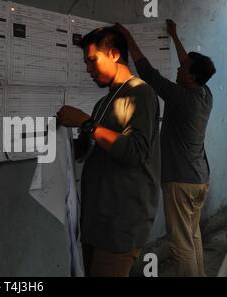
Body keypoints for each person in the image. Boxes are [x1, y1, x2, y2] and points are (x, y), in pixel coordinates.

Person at [115, 20, 216, 277]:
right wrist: (174, 36)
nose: (178, 70)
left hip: (180, 181)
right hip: (199, 180)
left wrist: (128, 38)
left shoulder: (180, 98)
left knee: (180, 245)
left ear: (191, 77)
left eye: (183, 69)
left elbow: (149, 73)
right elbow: (191, 63)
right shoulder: (204, 93)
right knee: (192, 237)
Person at [57, 27, 160, 277]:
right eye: (85, 63)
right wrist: (58, 139)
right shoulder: (104, 102)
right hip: (95, 222)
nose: (88, 69)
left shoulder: (140, 93)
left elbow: (135, 151)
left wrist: (86, 123)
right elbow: (89, 148)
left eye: (92, 61)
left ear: (114, 54)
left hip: (120, 224)